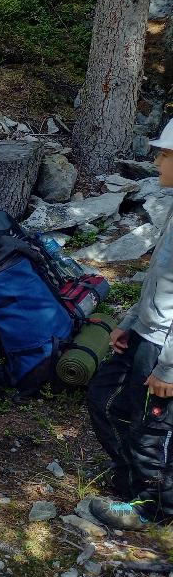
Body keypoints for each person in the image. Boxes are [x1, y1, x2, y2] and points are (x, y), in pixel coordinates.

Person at [86, 120, 173, 530]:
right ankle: (130, 478)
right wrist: (130, 322)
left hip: (166, 349)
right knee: (107, 399)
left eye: (166, 154)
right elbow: (160, 280)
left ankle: (151, 506)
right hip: (146, 333)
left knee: (154, 427)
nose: (157, 160)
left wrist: (169, 368)